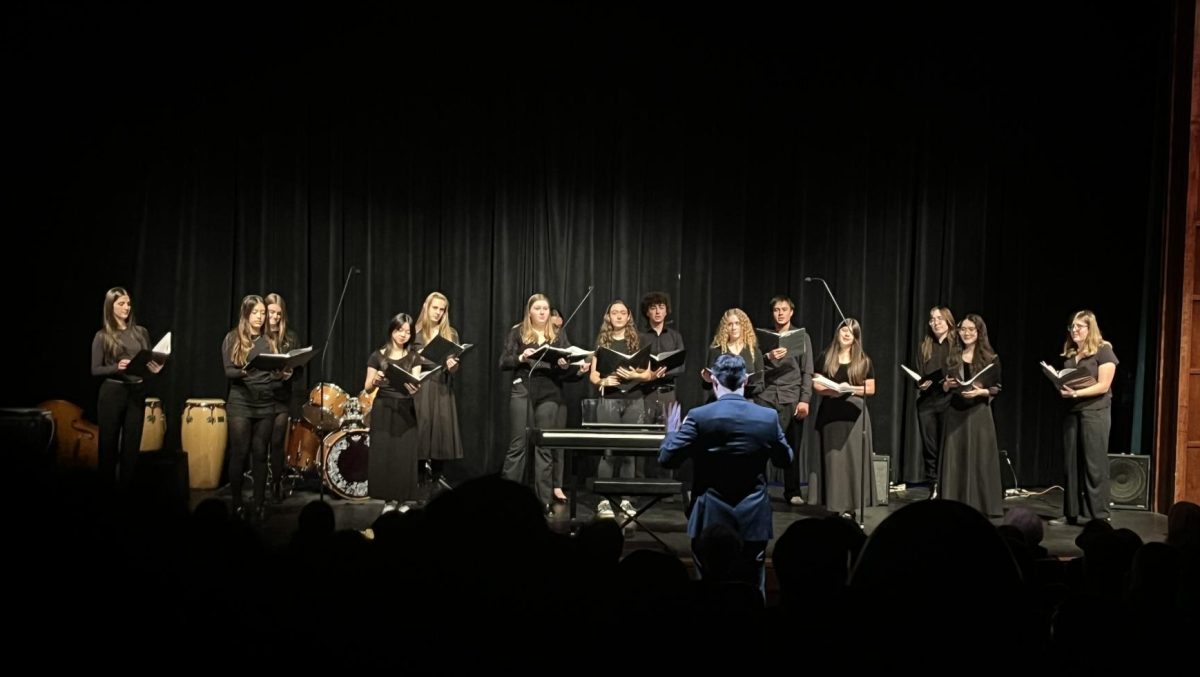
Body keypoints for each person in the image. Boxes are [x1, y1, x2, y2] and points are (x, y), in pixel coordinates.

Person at [659, 353, 792, 594]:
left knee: (708, 587)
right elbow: (786, 459)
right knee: (752, 587)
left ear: (714, 381)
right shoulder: (767, 417)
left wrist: (671, 431)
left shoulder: (699, 416)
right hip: (753, 518)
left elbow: (667, 458)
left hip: (710, 517)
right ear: (745, 382)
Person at [499, 293, 587, 508]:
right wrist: (522, 357)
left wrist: (575, 369)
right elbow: (504, 362)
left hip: (550, 392)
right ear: (529, 311)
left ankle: (543, 502)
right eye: (537, 308)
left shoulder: (557, 334)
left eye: (545, 309)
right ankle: (506, 500)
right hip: (523, 389)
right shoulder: (517, 332)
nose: (541, 312)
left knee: (544, 447)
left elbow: (564, 371)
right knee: (518, 445)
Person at [222, 295, 289, 520]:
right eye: (256, 313)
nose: (261, 317)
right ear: (246, 314)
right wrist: (244, 371)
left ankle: (260, 503)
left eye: (263, 313)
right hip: (241, 401)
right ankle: (238, 502)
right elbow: (228, 371)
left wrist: (282, 374)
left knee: (261, 453)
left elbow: (275, 377)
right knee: (240, 453)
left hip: (265, 402)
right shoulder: (233, 338)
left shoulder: (269, 341)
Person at [90, 287, 162, 494]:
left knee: (131, 448)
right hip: (113, 393)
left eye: (128, 303)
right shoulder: (103, 336)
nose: (126, 308)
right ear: (110, 306)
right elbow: (95, 369)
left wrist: (155, 367)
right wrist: (116, 367)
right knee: (108, 446)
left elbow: (146, 363)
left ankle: (126, 495)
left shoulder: (141, 332)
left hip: (136, 393)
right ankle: (105, 494)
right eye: (121, 304)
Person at [1050, 310, 1118, 526]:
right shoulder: (1071, 354)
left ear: (1090, 329)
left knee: (1094, 464)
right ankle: (1071, 513)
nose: (1075, 330)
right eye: (1072, 327)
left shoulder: (1103, 350)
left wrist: (1077, 393)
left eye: (1080, 326)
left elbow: (1104, 385)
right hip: (1072, 412)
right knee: (1071, 463)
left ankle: (1099, 516)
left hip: (1095, 412)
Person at [589, 299, 653, 519]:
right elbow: (594, 375)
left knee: (629, 453)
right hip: (610, 399)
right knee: (608, 452)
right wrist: (602, 382)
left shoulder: (638, 340)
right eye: (614, 312)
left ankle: (627, 499)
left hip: (634, 399)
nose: (618, 316)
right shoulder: (603, 341)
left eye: (622, 313)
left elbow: (648, 374)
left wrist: (634, 375)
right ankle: (604, 500)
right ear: (609, 317)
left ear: (628, 316)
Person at [938, 314, 1003, 516]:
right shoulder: (952, 356)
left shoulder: (990, 358)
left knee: (979, 458)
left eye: (971, 330)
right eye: (963, 329)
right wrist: (947, 385)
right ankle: (953, 503)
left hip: (978, 414)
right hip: (956, 412)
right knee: (955, 459)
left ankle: (981, 505)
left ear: (979, 332)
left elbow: (997, 387)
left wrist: (981, 392)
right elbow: (945, 384)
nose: (966, 333)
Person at [812, 318, 876, 522]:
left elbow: (871, 388)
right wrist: (836, 389)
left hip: (855, 415)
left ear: (856, 336)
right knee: (833, 461)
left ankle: (852, 506)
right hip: (831, 414)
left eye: (851, 331)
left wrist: (851, 389)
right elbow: (816, 384)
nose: (847, 334)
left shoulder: (863, 360)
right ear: (837, 332)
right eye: (843, 330)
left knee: (853, 461)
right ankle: (834, 505)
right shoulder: (826, 356)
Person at [755, 295, 813, 506]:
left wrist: (805, 399)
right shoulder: (762, 337)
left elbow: (808, 370)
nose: (780, 313)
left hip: (791, 396)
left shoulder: (801, 337)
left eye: (784, 309)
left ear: (791, 312)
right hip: (766, 396)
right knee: (761, 445)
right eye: (776, 310)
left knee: (792, 446)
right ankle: (758, 489)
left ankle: (793, 491)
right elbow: (753, 366)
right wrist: (768, 357)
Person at [364, 313, 423, 514]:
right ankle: (389, 500)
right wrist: (376, 380)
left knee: (405, 455)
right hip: (383, 408)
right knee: (386, 454)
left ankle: (404, 499)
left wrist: (415, 388)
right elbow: (367, 388)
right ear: (392, 330)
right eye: (400, 330)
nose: (404, 335)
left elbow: (415, 382)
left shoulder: (414, 356)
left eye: (408, 332)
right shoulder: (377, 356)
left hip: (406, 407)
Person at [412, 292, 465, 489]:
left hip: (442, 386)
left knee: (441, 434)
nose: (438, 313)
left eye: (442, 310)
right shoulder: (414, 333)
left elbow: (454, 365)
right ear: (426, 307)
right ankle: (418, 480)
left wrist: (453, 365)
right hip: (422, 387)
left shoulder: (450, 334)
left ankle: (435, 480)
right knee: (422, 432)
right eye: (435, 308)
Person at [915, 306, 959, 497]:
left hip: (948, 400)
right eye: (932, 319)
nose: (935, 322)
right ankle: (933, 485)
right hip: (927, 403)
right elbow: (920, 374)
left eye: (940, 318)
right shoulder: (925, 345)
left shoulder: (956, 345)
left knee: (946, 446)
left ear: (949, 321)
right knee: (929, 448)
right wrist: (920, 383)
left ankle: (947, 486)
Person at [265, 292, 302, 502]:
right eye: (271, 312)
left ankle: (277, 481)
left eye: (279, 314)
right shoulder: (257, 336)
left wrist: (291, 372)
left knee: (278, 440)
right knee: (261, 441)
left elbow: (298, 369)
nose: (275, 317)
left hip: (281, 395)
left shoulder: (290, 337)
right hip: (260, 394)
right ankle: (263, 480)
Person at [638, 291, 686, 426]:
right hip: (646, 393)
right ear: (647, 312)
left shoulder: (675, 336)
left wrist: (662, 372)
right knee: (643, 433)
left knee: (670, 433)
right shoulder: (640, 337)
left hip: (668, 393)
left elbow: (681, 366)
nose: (658, 311)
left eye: (661, 307)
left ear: (666, 311)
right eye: (653, 308)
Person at [702, 308, 764, 400]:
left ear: (744, 326)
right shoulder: (716, 351)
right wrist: (707, 380)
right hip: (721, 401)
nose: (734, 327)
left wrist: (744, 386)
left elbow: (761, 385)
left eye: (737, 323)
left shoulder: (754, 352)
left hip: (746, 402)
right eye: (730, 324)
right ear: (725, 328)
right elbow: (706, 386)